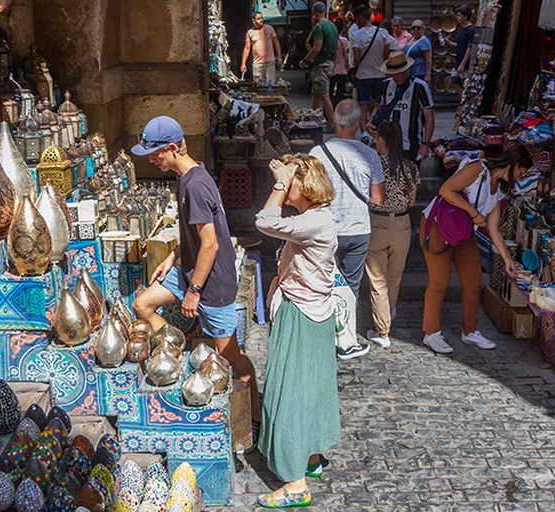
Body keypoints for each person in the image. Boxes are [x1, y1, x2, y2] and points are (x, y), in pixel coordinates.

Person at [130, 116, 262, 441]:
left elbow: (211, 244)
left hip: (210, 282)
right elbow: (195, 235)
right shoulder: (188, 177)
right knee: (142, 304)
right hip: (189, 269)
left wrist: (194, 292)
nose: (150, 159)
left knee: (230, 354)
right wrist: (173, 258)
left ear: (173, 149)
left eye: (155, 152)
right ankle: (175, 352)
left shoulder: (196, 185)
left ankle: (255, 417)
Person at [255, 153, 340, 508]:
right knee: (313, 386)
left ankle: (295, 484)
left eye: (292, 181)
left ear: (303, 185)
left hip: (301, 314)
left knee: (287, 393)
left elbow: (263, 220)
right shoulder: (315, 218)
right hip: (314, 313)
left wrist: (278, 182)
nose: (286, 186)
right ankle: (310, 456)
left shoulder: (314, 222)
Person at [420, 145, 533, 354]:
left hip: (463, 232)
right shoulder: (478, 169)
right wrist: (473, 213)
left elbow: (493, 228)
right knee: (439, 282)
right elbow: (445, 189)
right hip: (439, 226)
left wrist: (507, 258)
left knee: (473, 281)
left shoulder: (499, 189)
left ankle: (470, 332)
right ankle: (431, 333)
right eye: (522, 172)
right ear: (515, 164)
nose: (521, 177)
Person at [310, 100, 385, 360]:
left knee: (322, 282)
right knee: (351, 285)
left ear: (335, 122)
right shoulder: (369, 154)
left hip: (326, 228)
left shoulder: (317, 154)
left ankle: (320, 335)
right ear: (356, 123)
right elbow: (378, 199)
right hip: (357, 228)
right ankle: (346, 340)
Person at [364, 120, 420, 348]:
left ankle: (383, 331)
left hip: (377, 223)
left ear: (380, 140)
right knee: (394, 278)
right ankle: (388, 313)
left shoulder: (373, 165)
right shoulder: (410, 167)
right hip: (402, 225)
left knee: (378, 280)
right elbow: (413, 201)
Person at [369, 51, 435, 164]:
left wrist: (425, 144)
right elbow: (378, 107)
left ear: (406, 69)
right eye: (393, 73)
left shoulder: (420, 86)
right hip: (386, 144)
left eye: (399, 73)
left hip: (411, 144)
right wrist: (370, 122)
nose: (396, 77)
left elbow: (429, 117)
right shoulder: (385, 85)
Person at [350, 4, 391, 140]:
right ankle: (376, 131)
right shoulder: (383, 33)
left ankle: (364, 133)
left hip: (362, 76)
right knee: (377, 105)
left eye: (356, 19)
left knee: (362, 106)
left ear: (361, 18)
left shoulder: (356, 36)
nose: (356, 22)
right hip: (380, 75)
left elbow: (356, 60)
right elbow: (386, 57)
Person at [299, 1, 338, 129]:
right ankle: (310, 118)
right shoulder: (332, 26)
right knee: (316, 92)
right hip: (330, 62)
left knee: (324, 94)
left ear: (314, 12)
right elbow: (337, 47)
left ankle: (332, 123)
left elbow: (316, 47)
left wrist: (305, 60)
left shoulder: (319, 27)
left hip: (321, 63)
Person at [241, 12, 282, 83]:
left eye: (262, 18)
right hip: (257, 64)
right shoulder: (250, 32)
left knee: (271, 84)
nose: (261, 20)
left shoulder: (269, 28)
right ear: (253, 20)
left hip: (270, 62)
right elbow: (247, 49)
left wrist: (279, 57)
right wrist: (243, 63)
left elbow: (276, 43)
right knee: (257, 85)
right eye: (258, 18)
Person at [444, 4, 475, 98]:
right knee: (453, 82)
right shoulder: (461, 29)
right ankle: (464, 101)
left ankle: (466, 103)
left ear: (465, 17)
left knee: (464, 84)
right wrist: (449, 42)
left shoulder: (471, 30)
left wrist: (462, 64)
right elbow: (459, 45)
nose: (457, 18)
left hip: (464, 63)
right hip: (458, 61)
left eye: (459, 15)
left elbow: (470, 48)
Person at [329, 18, 351, 110]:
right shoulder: (344, 41)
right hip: (342, 70)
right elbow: (346, 57)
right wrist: (348, 68)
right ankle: (337, 111)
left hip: (331, 70)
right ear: (343, 28)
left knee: (329, 93)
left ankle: (328, 112)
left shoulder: (330, 40)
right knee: (339, 94)